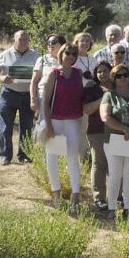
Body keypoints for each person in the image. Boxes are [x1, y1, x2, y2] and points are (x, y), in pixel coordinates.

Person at [42, 43, 86, 212]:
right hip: (55, 121)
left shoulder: (78, 73)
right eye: (68, 53)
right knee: (52, 158)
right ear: (61, 53)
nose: (71, 56)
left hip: (73, 122)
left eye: (74, 54)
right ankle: (56, 193)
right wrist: (49, 126)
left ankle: (75, 196)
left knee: (72, 158)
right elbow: (45, 101)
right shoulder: (53, 73)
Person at [100, 64, 129, 219]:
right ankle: (112, 208)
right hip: (114, 139)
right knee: (115, 174)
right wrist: (125, 129)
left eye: (125, 75)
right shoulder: (109, 96)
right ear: (113, 78)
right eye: (119, 75)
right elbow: (105, 117)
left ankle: (128, 208)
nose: (123, 78)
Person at [0, 29, 39, 165]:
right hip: (8, 95)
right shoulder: (5, 55)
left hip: (28, 95)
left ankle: (24, 156)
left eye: (26, 39)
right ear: (14, 40)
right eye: (20, 39)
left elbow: (42, 73)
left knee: (27, 127)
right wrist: (1, 77)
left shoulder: (35, 55)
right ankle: (5, 156)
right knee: (5, 127)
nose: (23, 42)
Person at [83, 61, 111, 211]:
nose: (102, 74)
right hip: (96, 130)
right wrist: (104, 97)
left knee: (115, 166)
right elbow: (87, 109)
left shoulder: (119, 85)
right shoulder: (91, 88)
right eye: (99, 71)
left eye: (105, 71)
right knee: (99, 164)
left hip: (116, 132)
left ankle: (116, 197)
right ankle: (99, 198)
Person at [30, 34, 66, 125]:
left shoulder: (67, 59)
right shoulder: (42, 59)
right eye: (48, 42)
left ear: (62, 45)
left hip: (62, 98)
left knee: (59, 126)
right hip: (44, 97)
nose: (50, 44)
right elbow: (34, 82)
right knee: (44, 126)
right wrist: (33, 99)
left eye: (53, 42)